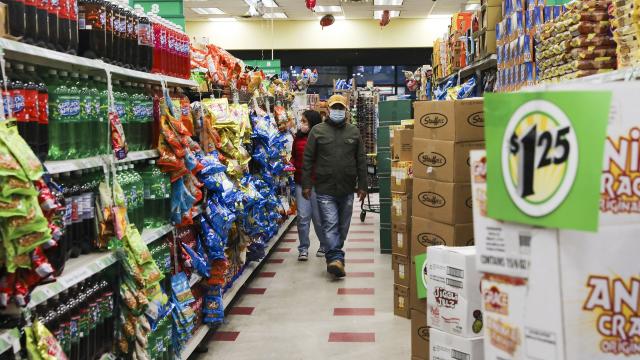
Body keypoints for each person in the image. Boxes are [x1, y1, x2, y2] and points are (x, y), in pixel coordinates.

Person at [302, 94, 368, 278]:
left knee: (343, 227)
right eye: (335, 108)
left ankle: (335, 256)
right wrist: (306, 184)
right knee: (331, 224)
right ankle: (336, 259)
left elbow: (361, 160)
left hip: (347, 188)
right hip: (324, 188)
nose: (337, 111)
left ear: (345, 111)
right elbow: (308, 159)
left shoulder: (353, 132)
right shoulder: (317, 131)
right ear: (328, 110)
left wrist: (363, 185)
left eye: (341, 108)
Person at [292, 110, 327, 261]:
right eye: (302, 121)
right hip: (300, 182)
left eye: (305, 121)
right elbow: (294, 156)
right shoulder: (297, 138)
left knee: (319, 218)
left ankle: (324, 245)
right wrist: (289, 164)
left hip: (317, 184)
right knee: (302, 217)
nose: (302, 124)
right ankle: (303, 248)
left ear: (313, 122)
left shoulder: (321, 138)